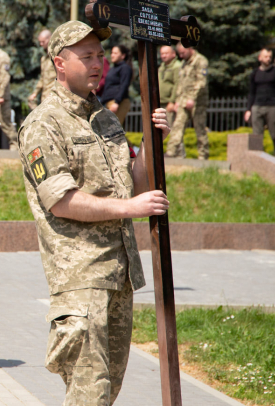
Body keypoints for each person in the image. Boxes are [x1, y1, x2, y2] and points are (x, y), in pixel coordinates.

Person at [18, 21, 171, 405]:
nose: (97, 63)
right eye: (85, 56)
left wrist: (151, 141)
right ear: (59, 63)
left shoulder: (104, 117)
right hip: (81, 280)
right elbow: (62, 201)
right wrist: (131, 209)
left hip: (117, 275)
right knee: (90, 394)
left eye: (100, 55)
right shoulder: (43, 123)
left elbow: (134, 184)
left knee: (106, 392)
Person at [166, 43, 210, 160]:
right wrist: (177, 101)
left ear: (189, 48)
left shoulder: (200, 61)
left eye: (182, 52)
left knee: (199, 128)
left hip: (197, 102)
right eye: (179, 53)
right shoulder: (184, 63)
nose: (181, 55)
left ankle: (203, 156)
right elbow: (181, 84)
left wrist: (192, 98)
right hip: (183, 101)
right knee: (177, 126)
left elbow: (201, 83)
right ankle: (171, 153)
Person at [245, 48, 275, 157]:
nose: (268, 59)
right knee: (257, 136)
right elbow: (251, 93)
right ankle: (257, 159)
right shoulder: (255, 73)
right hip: (257, 106)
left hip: (272, 106)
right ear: (260, 58)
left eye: (270, 57)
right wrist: (248, 109)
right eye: (266, 56)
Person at [99, 45, 133, 126]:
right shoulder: (113, 69)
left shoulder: (125, 68)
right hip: (108, 102)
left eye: (115, 53)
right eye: (112, 53)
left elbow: (124, 85)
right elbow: (107, 87)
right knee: (110, 129)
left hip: (119, 102)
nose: (112, 55)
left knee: (113, 128)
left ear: (123, 56)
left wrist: (117, 102)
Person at [28, 29, 56, 110]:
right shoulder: (44, 59)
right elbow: (42, 78)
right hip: (45, 96)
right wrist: (35, 93)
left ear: (50, 38)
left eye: (43, 42)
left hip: (54, 96)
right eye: (40, 42)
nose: (41, 44)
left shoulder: (57, 57)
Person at [158, 45, 182, 127]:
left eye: (166, 53)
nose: (163, 56)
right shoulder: (162, 67)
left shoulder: (177, 66)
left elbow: (177, 84)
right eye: (162, 53)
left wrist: (172, 101)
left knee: (169, 128)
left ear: (173, 54)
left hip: (169, 103)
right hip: (160, 102)